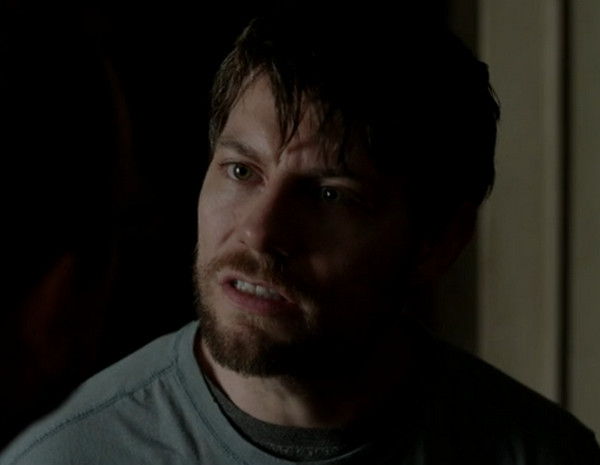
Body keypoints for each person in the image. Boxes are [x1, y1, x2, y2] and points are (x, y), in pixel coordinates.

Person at [2, 7, 599, 465]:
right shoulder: (64, 455)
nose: (260, 233)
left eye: (330, 195)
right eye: (241, 171)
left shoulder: (543, 454)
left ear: (438, 241)